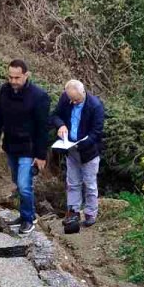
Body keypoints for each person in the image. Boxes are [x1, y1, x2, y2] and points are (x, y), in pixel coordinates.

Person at [0, 59, 50, 236]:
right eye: (10, 77)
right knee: (18, 182)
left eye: (17, 78)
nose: (13, 81)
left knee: (24, 185)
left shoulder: (39, 96)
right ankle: (26, 214)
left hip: (29, 147)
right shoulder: (5, 90)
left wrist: (41, 155)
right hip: (11, 145)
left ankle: (28, 219)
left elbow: (43, 128)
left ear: (26, 75)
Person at [51, 79, 106, 227]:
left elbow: (96, 132)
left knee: (90, 184)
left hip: (89, 152)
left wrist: (81, 144)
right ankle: (73, 213)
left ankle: (90, 214)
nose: (73, 102)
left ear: (83, 93)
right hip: (70, 150)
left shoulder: (95, 106)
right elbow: (55, 116)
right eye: (71, 99)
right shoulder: (66, 98)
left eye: (76, 100)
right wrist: (61, 125)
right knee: (72, 183)